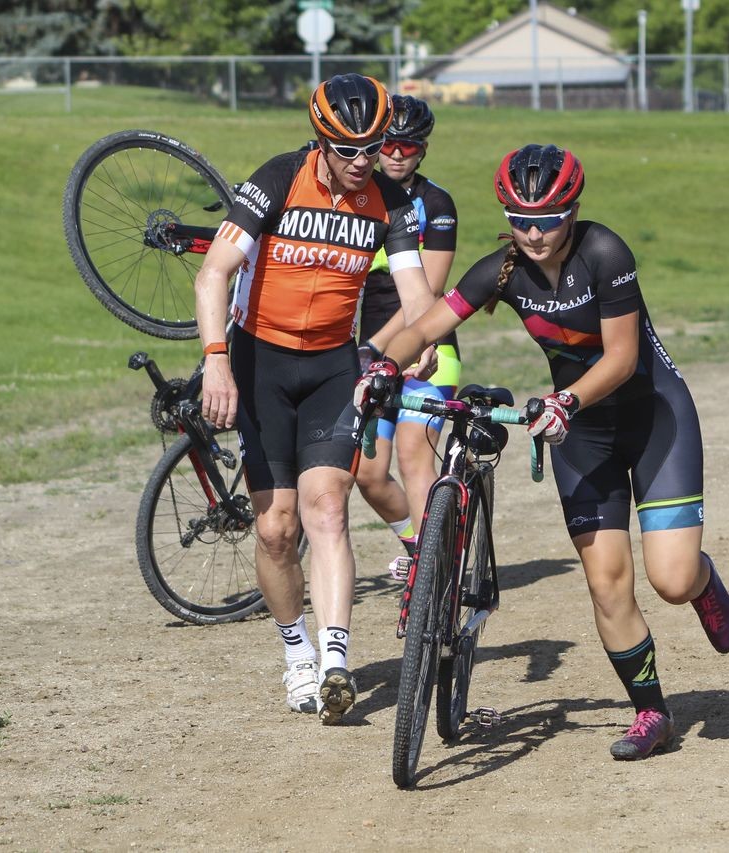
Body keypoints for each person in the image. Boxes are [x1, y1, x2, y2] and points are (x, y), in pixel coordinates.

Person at [354, 144, 729, 759]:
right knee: (608, 584)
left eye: (549, 218)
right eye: (520, 218)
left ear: (574, 209)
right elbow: (428, 322)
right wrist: (383, 367)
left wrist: (564, 402)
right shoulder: (503, 270)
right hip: (582, 434)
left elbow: (621, 359)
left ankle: (703, 582)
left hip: (652, 416)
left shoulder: (605, 253)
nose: (534, 233)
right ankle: (652, 714)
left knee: (669, 578)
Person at [194, 74, 437, 725]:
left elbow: (416, 296)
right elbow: (213, 271)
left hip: (332, 366)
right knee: (277, 529)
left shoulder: (387, 202)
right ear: (322, 140)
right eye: (348, 149)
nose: (363, 161)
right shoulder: (279, 178)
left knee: (327, 507)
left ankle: (334, 661)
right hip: (258, 361)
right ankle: (295, 648)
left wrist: (427, 338)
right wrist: (216, 362)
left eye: (373, 147)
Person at [353, 95, 461, 565]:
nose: (397, 154)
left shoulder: (436, 203)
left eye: (409, 147)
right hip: (366, 352)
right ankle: (420, 548)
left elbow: (430, 293)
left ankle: (433, 574)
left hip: (425, 351)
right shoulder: (355, 196)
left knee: (414, 455)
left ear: (424, 150)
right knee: (367, 473)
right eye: (389, 144)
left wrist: (378, 346)